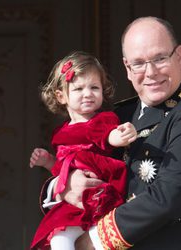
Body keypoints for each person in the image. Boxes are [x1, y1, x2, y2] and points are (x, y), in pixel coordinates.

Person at [43, 16, 181, 250]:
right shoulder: (117, 115)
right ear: (127, 69)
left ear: (180, 57)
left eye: (160, 58)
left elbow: (169, 197)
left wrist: (94, 240)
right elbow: (75, 153)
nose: (150, 72)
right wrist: (65, 185)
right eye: (138, 63)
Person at [29, 51, 137, 250]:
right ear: (61, 96)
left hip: (99, 193)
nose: (88, 93)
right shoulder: (61, 132)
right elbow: (64, 169)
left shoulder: (103, 120)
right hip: (73, 202)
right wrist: (48, 162)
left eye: (94, 87)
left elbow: (108, 136)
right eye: (78, 88)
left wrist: (121, 136)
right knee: (60, 238)